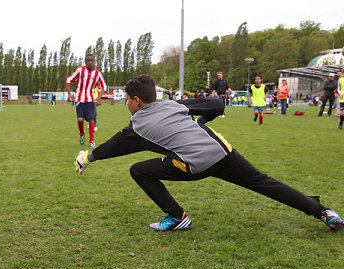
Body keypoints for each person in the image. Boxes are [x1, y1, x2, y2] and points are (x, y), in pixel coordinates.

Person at [74, 74, 344, 231]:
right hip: (223, 152)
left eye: (126, 100)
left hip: (195, 166)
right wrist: (198, 124)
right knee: (266, 184)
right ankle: (324, 212)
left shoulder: (138, 125)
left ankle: (178, 218)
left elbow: (112, 148)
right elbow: (215, 104)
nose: (125, 104)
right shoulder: (173, 105)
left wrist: (87, 157)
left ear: (136, 100)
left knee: (139, 171)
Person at [66, 53, 107, 148]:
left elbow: (104, 86)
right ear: (85, 62)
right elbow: (69, 79)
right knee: (80, 120)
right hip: (79, 99)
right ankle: (82, 133)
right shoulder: (80, 70)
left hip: (90, 100)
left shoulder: (97, 73)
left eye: (92, 60)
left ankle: (91, 141)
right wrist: (69, 94)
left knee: (91, 119)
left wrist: (99, 97)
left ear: (94, 62)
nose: (90, 62)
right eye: (88, 60)